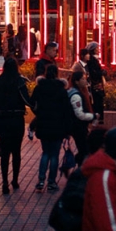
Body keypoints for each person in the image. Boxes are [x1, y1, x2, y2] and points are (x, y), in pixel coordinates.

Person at [0, 57, 32, 194]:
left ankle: (4, 181)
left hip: (2, 119)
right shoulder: (19, 81)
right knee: (16, 151)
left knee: (4, 152)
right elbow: (26, 100)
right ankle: (14, 180)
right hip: (16, 119)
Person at [30, 64, 72, 192]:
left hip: (43, 124)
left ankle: (41, 180)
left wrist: (39, 114)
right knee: (54, 154)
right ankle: (51, 182)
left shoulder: (39, 87)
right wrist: (67, 129)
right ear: (57, 73)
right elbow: (67, 110)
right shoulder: (61, 89)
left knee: (45, 152)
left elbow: (32, 103)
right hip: (58, 125)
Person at [68, 71, 96, 166]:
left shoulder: (75, 92)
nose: (85, 81)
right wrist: (93, 116)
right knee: (84, 149)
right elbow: (79, 114)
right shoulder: (76, 95)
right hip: (78, 127)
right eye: (83, 79)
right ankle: (81, 167)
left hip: (78, 126)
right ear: (77, 81)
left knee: (83, 149)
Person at [86, 42, 106, 125]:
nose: (99, 49)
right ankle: (98, 120)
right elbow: (94, 73)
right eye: (97, 48)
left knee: (98, 102)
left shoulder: (94, 59)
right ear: (93, 49)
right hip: (96, 86)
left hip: (97, 85)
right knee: (98, 102)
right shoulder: (92, 60)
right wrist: (101, 73)